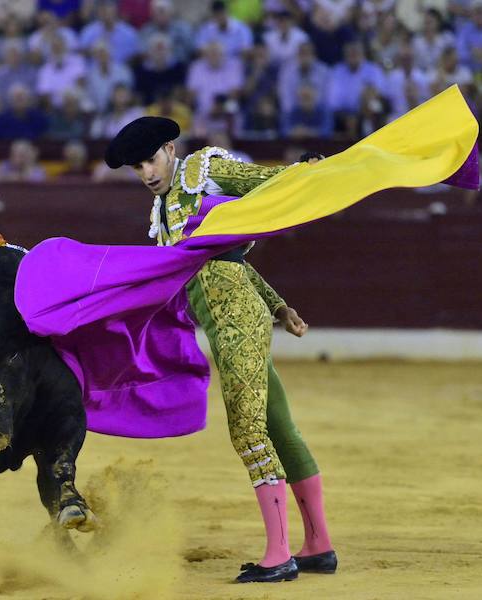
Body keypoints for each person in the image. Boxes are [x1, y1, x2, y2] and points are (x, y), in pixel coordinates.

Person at [102, 116, 337, 584]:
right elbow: (228, 261)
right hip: (233, 320)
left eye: (150, 160)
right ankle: (318, 545)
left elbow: (263, 181)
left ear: (170, 149)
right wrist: (280, 305)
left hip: (236, 325)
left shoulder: (201, 171)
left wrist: (305, 172)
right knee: (279, 428)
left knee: (248, 432)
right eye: (137, 168)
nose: (146, 172)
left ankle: (279, 554)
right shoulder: (163, 212)